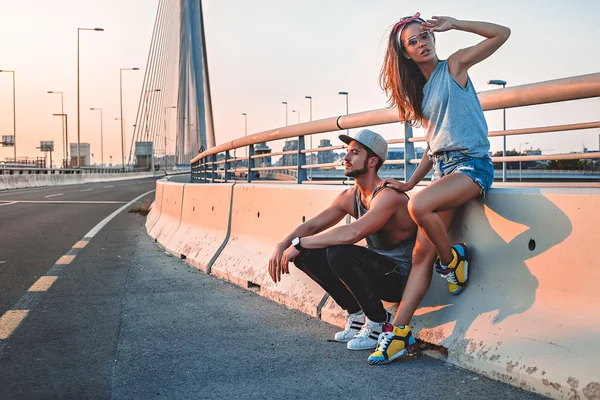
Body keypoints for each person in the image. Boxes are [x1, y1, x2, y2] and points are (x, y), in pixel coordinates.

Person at [368, 13, 510, 364]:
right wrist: (410, 182)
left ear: (433, 37)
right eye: (413, 42)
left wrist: (456, 24)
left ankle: (453, 261)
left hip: (473, 167)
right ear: (406, 54)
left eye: (424, 36)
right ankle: (399, 332)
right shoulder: (422, 95)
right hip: (445, 171)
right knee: (419, 256)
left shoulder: (456, 65)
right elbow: (434, 147)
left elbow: (501, 33)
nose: (421, 43)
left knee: (418, 208)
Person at [268, 129, 418, 353]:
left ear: (372, 161)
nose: (345, 158)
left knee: (338, 252)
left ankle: (378, 322)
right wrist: (284, 243)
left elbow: (353, 233)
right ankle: (357, 314)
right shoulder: (351, 196)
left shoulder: (388, 196)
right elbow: (311, 227)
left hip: (398, 279)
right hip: (374, 271)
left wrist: (300, 242)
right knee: (305, 254)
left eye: (354, 153)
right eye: (347, 152)